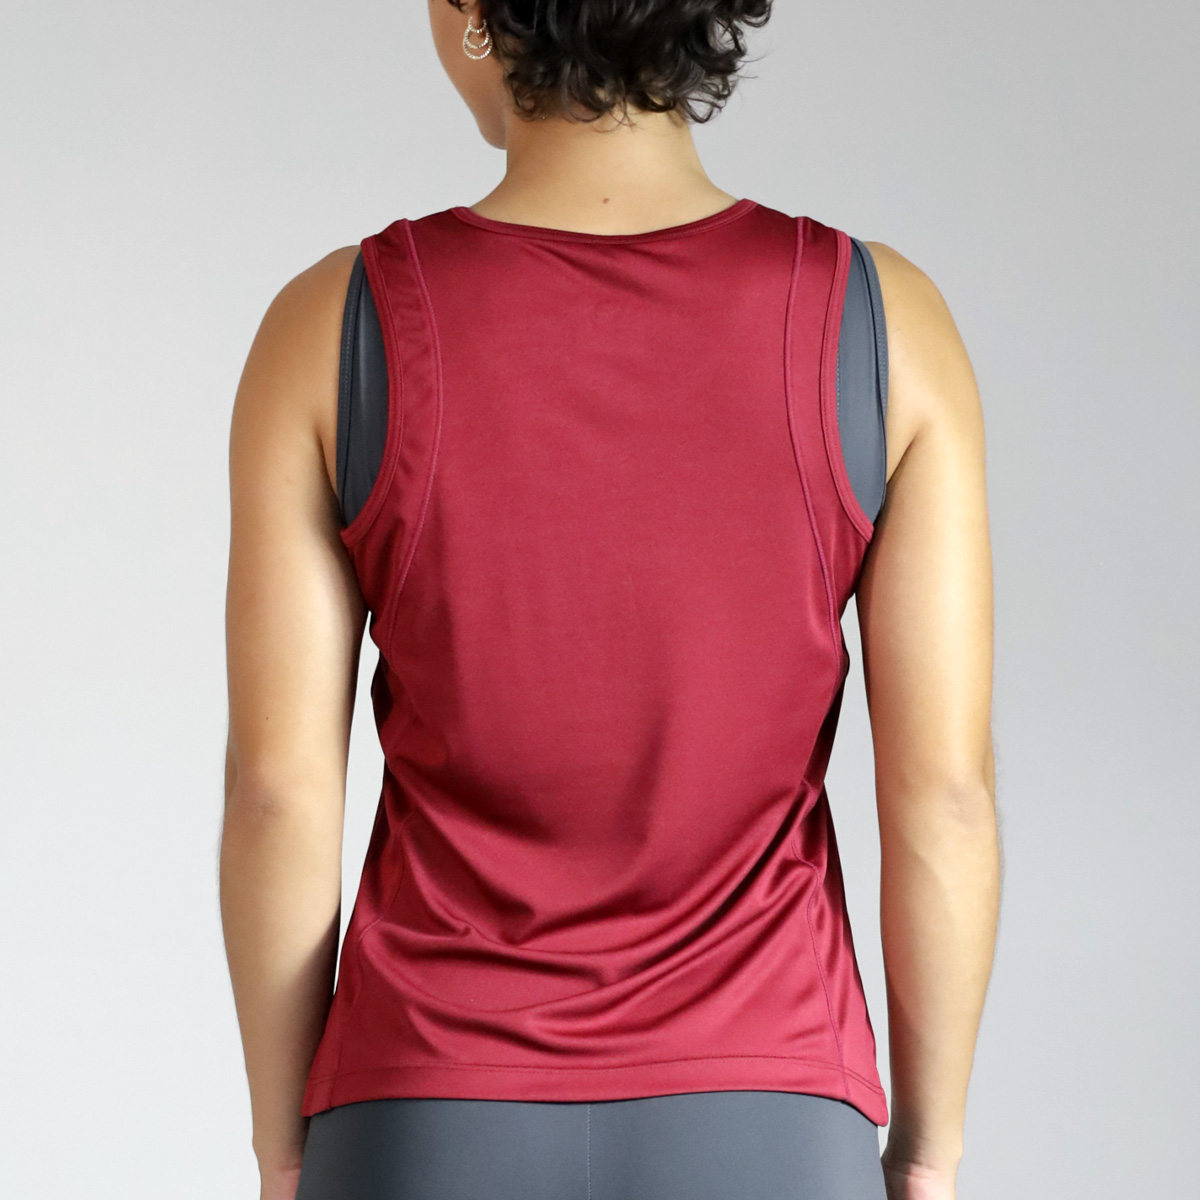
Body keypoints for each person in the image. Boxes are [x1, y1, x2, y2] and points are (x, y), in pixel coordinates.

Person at [220, 2, 1001, 1199]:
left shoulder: (331, 327)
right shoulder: (884, 326)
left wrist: (286, 1151)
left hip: (424, 1105)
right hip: (770, 1107)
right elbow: (944, 796)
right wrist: (928, 1155)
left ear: (470, 9)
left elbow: (277, 793)